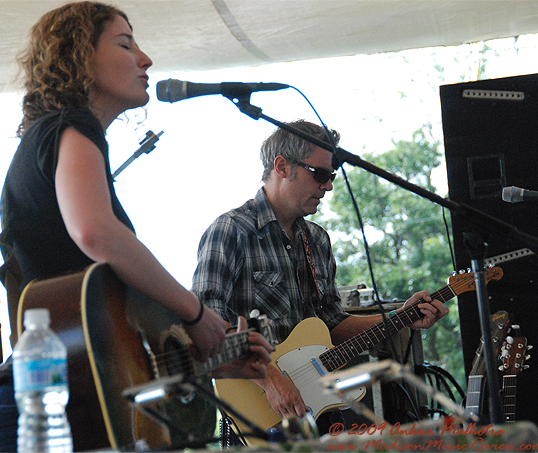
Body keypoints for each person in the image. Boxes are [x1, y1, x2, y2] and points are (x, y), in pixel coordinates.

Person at [0, 2, 272, 452]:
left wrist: (211, 360)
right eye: (126, 44)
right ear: (79, 56)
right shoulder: (70, 126)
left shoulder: (49, 138)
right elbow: (96, 233)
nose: (146, 58)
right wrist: (195, 312)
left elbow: (119, 353)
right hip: (56, 415)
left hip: (69, 403)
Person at [191, 119, 449, 434]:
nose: (328, 185)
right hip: (262, 411)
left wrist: (401, 317)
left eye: (331, 176)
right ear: (282, 166)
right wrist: (272, 381)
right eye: (320, 175)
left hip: (320, 405)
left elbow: (332, 325)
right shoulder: (230, 230)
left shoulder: (316, 239)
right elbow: (207, 334)